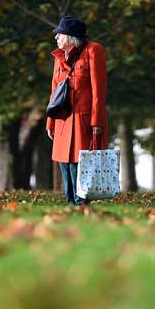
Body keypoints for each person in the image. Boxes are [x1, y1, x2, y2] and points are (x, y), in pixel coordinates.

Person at [46, 16, 107, 205]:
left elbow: (99, 90)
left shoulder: (93, 51)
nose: (56, 38)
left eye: (59, 34)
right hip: (62, 120)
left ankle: (82, 202)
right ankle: (70, 201)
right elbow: (54, 93)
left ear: (71, 37)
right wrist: (50, 121)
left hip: (83, 120)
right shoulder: (59, 57)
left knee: (80, 162)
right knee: (64, 162)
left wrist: (97, 121)